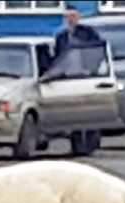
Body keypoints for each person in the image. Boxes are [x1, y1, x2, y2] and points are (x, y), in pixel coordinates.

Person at [53, 5, 102, 155]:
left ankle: (92, 143)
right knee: (74, 113)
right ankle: (77, 145)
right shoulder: (61, 37)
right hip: (69, 77)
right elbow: (58, 57)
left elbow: (98, 50)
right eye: (68, 17)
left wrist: (92, 68)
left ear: (78, 17)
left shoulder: (88, 33)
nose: (71, 20)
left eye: (73, 16)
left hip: (87, 75)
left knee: (91, 111)